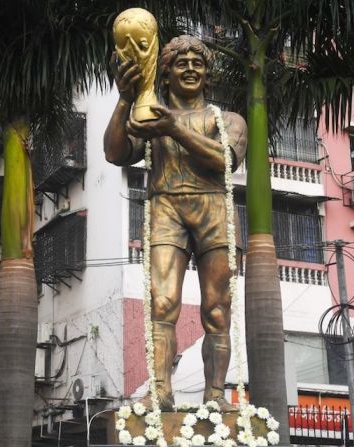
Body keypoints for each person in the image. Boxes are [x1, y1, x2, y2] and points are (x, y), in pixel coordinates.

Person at [104, 35, 247, 411]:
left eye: (197, 63)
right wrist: (125, 98)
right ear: (164, 74)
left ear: (207, 74)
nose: (189, 69)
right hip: (166, 206)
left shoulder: (227, 120)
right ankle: (160, 391)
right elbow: (115, 152)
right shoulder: (150, 118)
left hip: (214, 207)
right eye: (180, 63)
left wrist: (173, 128)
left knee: (217, 308)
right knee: (162, 302)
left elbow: (226, 162)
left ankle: (216, 396)